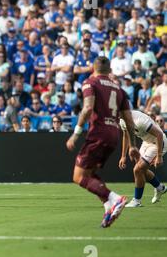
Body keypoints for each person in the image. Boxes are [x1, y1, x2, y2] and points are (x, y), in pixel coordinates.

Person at [66, 56, 140, 228]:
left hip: (98, 133)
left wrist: (75, 134)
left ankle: (115, 198)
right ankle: (108, 209)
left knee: (78, 176)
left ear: (93, 67)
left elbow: (88, 108)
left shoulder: (90, 82)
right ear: (110, 70)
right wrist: (133, 145)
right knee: (90, 174)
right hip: (113, 135)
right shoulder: (119, 89)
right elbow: (129, 120)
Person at [118, 110, 167, 207]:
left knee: (138, 169)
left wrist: (159, 156)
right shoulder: (122, 120)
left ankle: (137, 201)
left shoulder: (139, 120)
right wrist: (123, 156)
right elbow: (126, 136)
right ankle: (160, 188)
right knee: (141, 170)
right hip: (146, 142)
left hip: (158, 143)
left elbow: (159, 135)